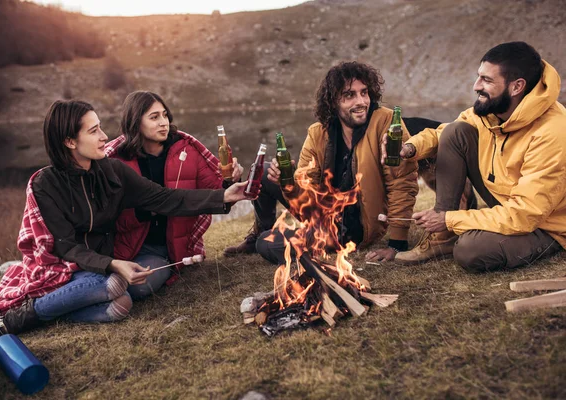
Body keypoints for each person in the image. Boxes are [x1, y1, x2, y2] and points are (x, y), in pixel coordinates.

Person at [0, 100, 252, 345]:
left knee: (121, 304)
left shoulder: (112, 171)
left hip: (103, 263)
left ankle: (60, 309)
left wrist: (222, 196)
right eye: (94, 131)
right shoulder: (46, 184)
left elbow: (165, 199)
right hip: (63, 265)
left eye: (101, 128)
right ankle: (13, 321)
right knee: (109, 285)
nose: (105, 137)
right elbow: (66, 246)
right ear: (70, 142)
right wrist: (113, 265)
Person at [387, 41, 566, 271]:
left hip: (544, 223)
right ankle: (443, 238)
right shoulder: (492, 110)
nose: (476, 86)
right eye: (479, 76)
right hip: (506, 199)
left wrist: (449, 219)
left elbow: (525, 215)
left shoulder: (552, 132)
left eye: (487, 80)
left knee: (470, 251)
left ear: (516, 87)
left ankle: (551, 244)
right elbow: (444, 132)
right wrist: (409, 148)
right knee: (455, 131)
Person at [225, 61, 419, 263]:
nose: (361, 101)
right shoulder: (318, 132)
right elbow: (305, 195)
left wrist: (397, 243)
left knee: (269, 243)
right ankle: (259, 231)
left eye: (364, 92)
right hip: (322, 215)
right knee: (263, 172)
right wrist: (289, 182)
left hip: (355, 228)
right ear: (333, 101)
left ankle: (281, 240)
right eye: (349, 95)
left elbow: (402, 182)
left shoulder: (386, 122)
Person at [104, 91, 243, 300]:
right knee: (113, 285)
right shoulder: (117, 162)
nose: (163, 123)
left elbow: (215, 194)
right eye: (154, 117)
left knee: (139, 288)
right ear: (135, 122)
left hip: (165, 248)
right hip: (129, 245)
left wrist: (229, 182)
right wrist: (144, 213)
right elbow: (108, 220)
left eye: (165, 115)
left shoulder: (186, 151)